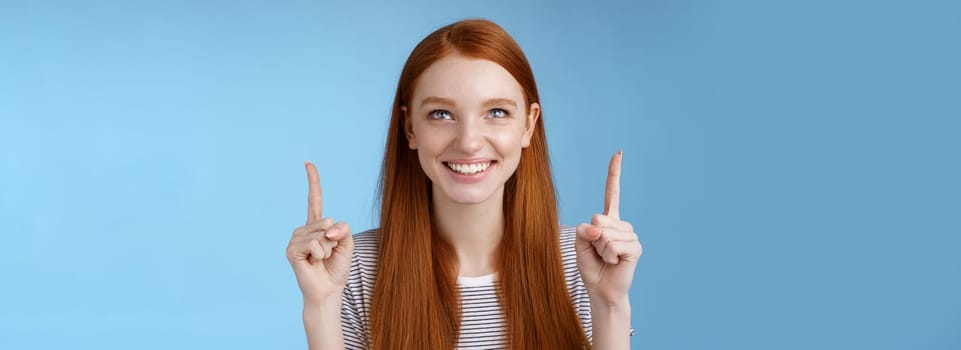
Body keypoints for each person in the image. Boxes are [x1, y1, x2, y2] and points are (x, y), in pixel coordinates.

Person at [286, 19, 642, 350]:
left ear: (528, 125)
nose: (469, 141)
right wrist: (320, 307)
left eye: (496, 112)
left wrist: (610, 304)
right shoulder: (354, 268)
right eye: (441, 114)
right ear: (410, 128)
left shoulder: (579, 262)